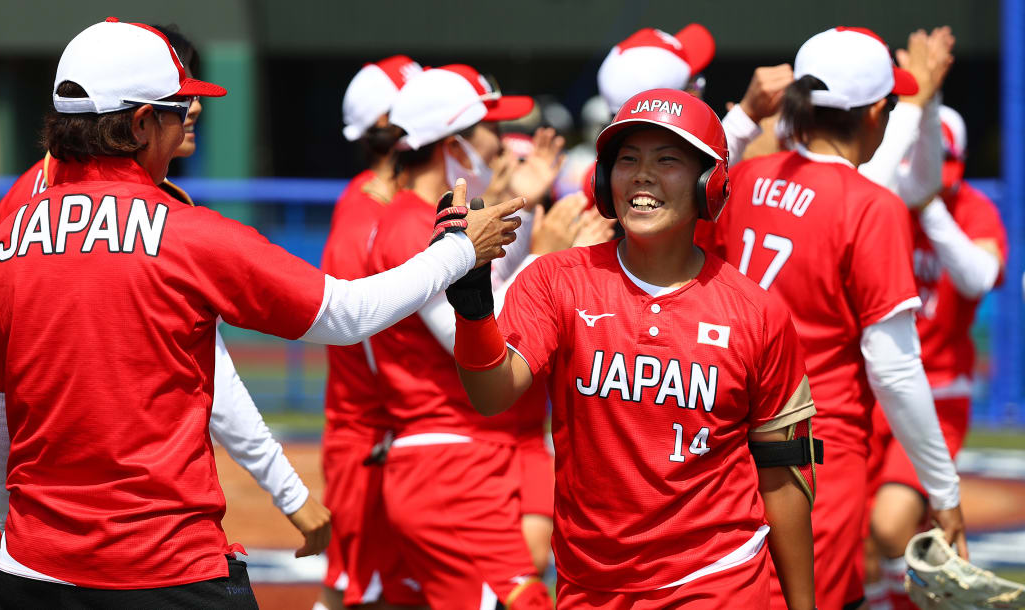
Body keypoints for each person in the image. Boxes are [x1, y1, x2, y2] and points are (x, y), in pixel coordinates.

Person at [0, 18, 522, 607]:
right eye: (180, 107)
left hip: (32, 575)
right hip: (168, 573)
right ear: (140, 123)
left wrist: (14, 538)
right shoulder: (187, 233)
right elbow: (345, 313)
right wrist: (460, 250)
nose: (191, 119)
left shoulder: (5, 240)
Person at [0, 23, 328, 570]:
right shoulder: (61, 206)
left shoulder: (115, 198)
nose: (193, 105)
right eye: (178, 91)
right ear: (137, 114)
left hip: (53, 507)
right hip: (51, 506)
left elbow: (203, 364)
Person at [455, 87, 819, 609]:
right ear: (605, 180)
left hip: (719, 578)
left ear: (709, 184)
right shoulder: (557, 279)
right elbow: (491, 393)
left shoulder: (756, 312)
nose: (642, 175)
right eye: (628, 160)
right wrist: (472, 307)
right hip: (590, 584)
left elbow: (782, 472)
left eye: (667, 160)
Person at [697, 26, 967, 609]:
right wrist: (944, 494)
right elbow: (894, 372)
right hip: (816, 450)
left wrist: (743, 119)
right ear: (876, 113)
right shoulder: (871, 207)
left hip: (720, 441)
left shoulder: (743, 178)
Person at [365, 64, 558, 609]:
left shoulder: (414, 216)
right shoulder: (411, 225)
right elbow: (471, 330)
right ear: (453, 143)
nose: (498, 144)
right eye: (489, 128)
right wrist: (546, 252)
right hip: (450, 464)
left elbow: (484, 295)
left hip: (461, 457)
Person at [865, 104, 1008, 609]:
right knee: (858, 538)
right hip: (873, 389)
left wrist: (930, 207)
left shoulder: (971, 208)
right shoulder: (880, 201)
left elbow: (979, 277)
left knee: (889, 527)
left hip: (938, 392)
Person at [318, 54, 426, 610]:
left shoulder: (386, 201)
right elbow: (355, 330)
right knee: (358, 592)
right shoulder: (366, 213)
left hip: (386, 428)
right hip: (373, 433)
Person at [597, 24, 794, 163]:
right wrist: (748, 117)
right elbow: (699, 181)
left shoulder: (599, 175)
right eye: (693, 83)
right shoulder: (657, 189)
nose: (697, 90)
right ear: (665, 108)